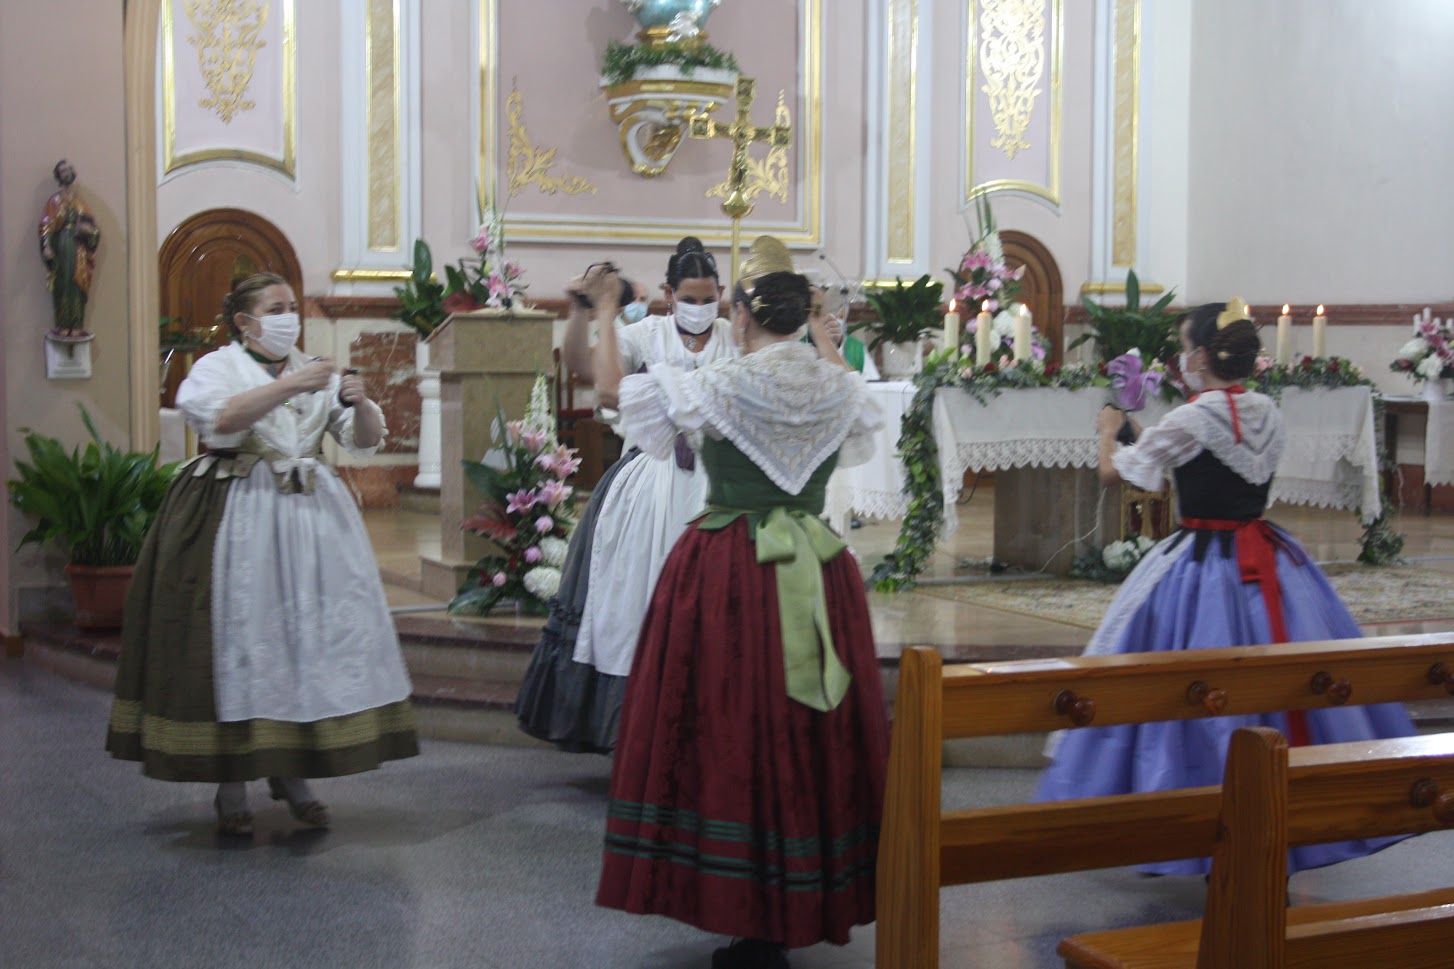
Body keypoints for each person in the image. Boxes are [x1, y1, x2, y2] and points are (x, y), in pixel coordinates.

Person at [1035, 299, 1416, 875]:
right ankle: (1290, 813)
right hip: (1271, 560)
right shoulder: (1267, 408)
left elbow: (1115, 474)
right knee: (1283, 682)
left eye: (1184, 348)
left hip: (1202, 564)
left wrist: (1109, 431)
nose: (1179, 358)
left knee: (1184, 687)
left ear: (1202, 356)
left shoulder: (1192, 417)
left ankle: (1187, 819)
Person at [592, 238, 890, 968]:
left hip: (728, 569)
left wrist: (604, 312)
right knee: (802, 727)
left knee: (727, 725)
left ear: (741, 316)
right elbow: (851, 431)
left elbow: (608, 395)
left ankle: (737, 896)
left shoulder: (716, 385)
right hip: (817, 570)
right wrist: (828, 342)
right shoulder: (842, 386)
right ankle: (805, 887)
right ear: (802, 317)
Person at [106, 272, 418, 836]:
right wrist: (296, 384)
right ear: (245, 322)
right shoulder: (217, 367)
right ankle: (232, 783)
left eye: (292, 306)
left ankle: (295, 776)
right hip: (234, 516)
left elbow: (365, 439)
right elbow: (220, 420)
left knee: (304, 647)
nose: (289, 316)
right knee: (242, 644)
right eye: (275, 308)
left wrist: (361, 400)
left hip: (311, 525)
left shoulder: (314, 367)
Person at [515, 237, 736, 753]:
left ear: (723, 295)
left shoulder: (732, 335)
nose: (701, 309)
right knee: (632, 600)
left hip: (716, 483)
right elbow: (584, 368)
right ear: (667, 293)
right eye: (691, 298)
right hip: (650, 481)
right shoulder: (647, 333)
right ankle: (633, 730)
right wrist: (583, 311)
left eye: (710, 299)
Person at [38, 159, 100, 335]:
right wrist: (46, 246)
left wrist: (90, 232)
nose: (66, 172)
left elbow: (92, 227)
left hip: (78, 249)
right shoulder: (54, 202)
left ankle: (76, 325)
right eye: (63, 170)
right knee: (63, 283)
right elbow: (46, 226)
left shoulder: (80, 203)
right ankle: (63, 324)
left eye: (68, 169)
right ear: (58, 175)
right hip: (61, 246)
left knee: (77, 284)